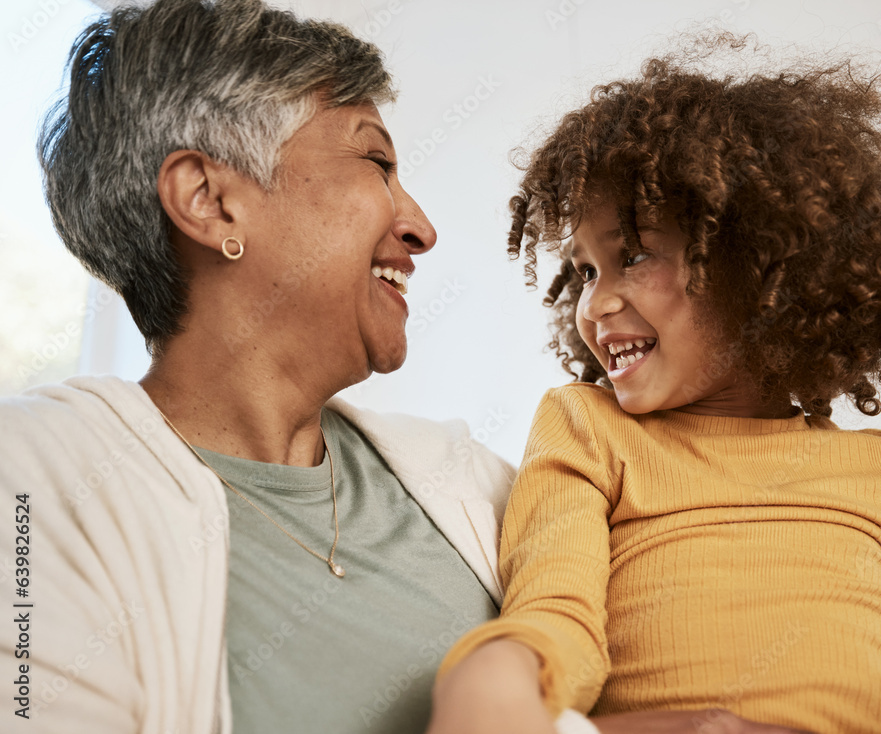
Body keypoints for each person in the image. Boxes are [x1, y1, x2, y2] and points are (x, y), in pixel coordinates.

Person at [0, 3, 816, 734]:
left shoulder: (476, 484)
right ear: (212, 202)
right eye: (377, 163)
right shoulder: (32, 483)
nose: (420, 227)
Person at [428, 36, 881, 734]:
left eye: (630, 256)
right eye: (582, 271)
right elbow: (556, 621)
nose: (593, 305)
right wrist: (497, 676)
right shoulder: (586, 426)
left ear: (758, 266)